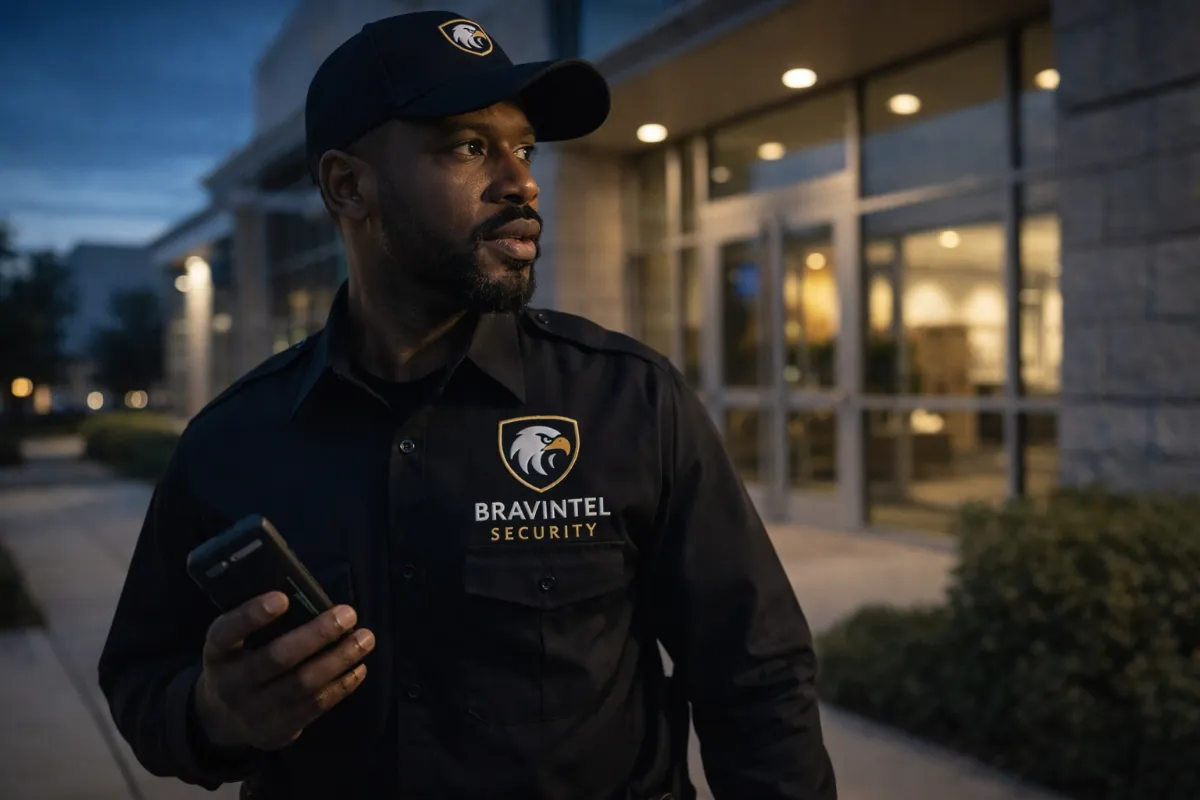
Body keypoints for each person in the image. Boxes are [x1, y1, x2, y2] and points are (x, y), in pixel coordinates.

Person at [97, 9, 837, 800]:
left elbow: (755, 676)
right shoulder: (233, 440)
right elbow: (143, 681)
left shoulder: (630, 399)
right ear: (348, 186)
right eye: (468, 147)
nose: (522, 182)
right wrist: (215, 713)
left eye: (524, 148)